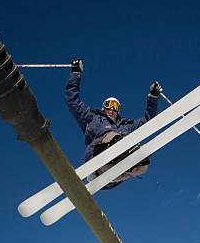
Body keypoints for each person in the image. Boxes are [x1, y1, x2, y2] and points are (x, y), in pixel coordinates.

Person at [65, 58, 162, 188]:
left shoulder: (126, 126)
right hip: (99, 165)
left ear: (119, 110)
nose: (111, 108)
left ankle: (126, 164)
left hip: (116, 177)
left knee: (143, 154)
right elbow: (73, 102)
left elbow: (148, 121)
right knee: (112, 136)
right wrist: (76, 73)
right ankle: (112, 161)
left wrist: (153, 97)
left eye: (115, 106)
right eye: (108, 105)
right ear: (103, 107)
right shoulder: (92, 118)